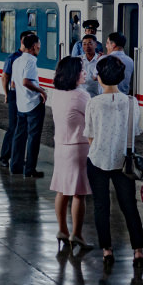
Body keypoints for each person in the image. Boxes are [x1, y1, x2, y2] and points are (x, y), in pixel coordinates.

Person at [84, 56, 143, 266]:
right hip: (124, 162)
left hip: (97, 159)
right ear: (120, 77)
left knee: (101, 206)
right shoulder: (131, 102)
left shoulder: (93, 103)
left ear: (100, 77)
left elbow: (89, 135)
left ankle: (107, 250)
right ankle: (138, 251)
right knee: (129, 206)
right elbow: (135, 131)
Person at [49, 56, 93, 250]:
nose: (85, 73)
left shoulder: (55, 93)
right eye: (82, 70)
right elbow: (92, 121)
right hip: (78, 147)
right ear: (73, 74)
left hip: (60, 147)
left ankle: (62, 230)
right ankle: (77, 234)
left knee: (62, 190)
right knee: (78, 193)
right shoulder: (82, 96)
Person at [10, 34, 46, 178]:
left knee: (19, 136)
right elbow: (26, 82)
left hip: (21, 105)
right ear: (33, 47)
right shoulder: (31, 61)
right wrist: (41, 90)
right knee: (33, 137)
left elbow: (14, 84)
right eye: (39, 45)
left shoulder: (17, 61)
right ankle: (30, 169)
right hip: (33, 104)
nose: (39, 47)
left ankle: (15, 165)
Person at [0, 31, 35, 168]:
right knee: (13, 126)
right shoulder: (13, 57)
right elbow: (5, 77)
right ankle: (4, 156)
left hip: (26, 95)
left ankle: (17, 157)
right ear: (22, 41)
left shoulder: (31, 57)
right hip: (15, 94)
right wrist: (6, 93)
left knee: (23, 127)